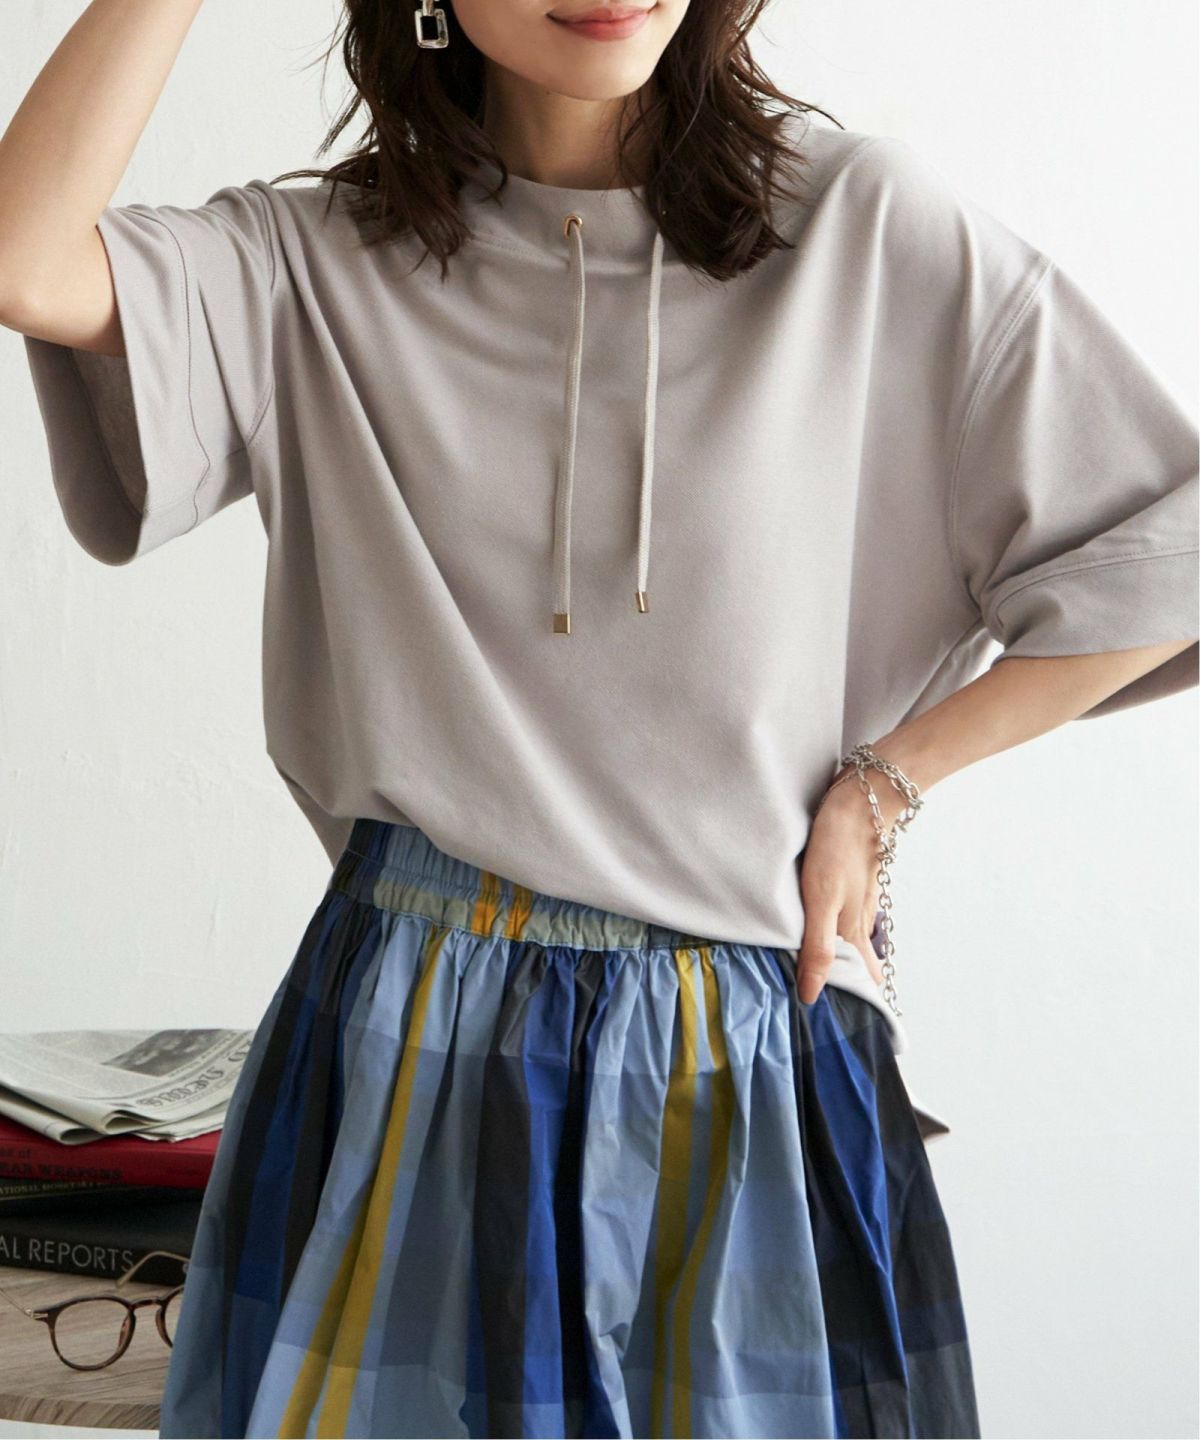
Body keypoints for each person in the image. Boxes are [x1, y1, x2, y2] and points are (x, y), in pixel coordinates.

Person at [1, 0, 1195, 1436]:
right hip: (406, 1047)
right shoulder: (307, 262)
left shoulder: (863, 231)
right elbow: (25, 259)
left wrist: (888, 779)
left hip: (743, 1064)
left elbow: (1169, 547)